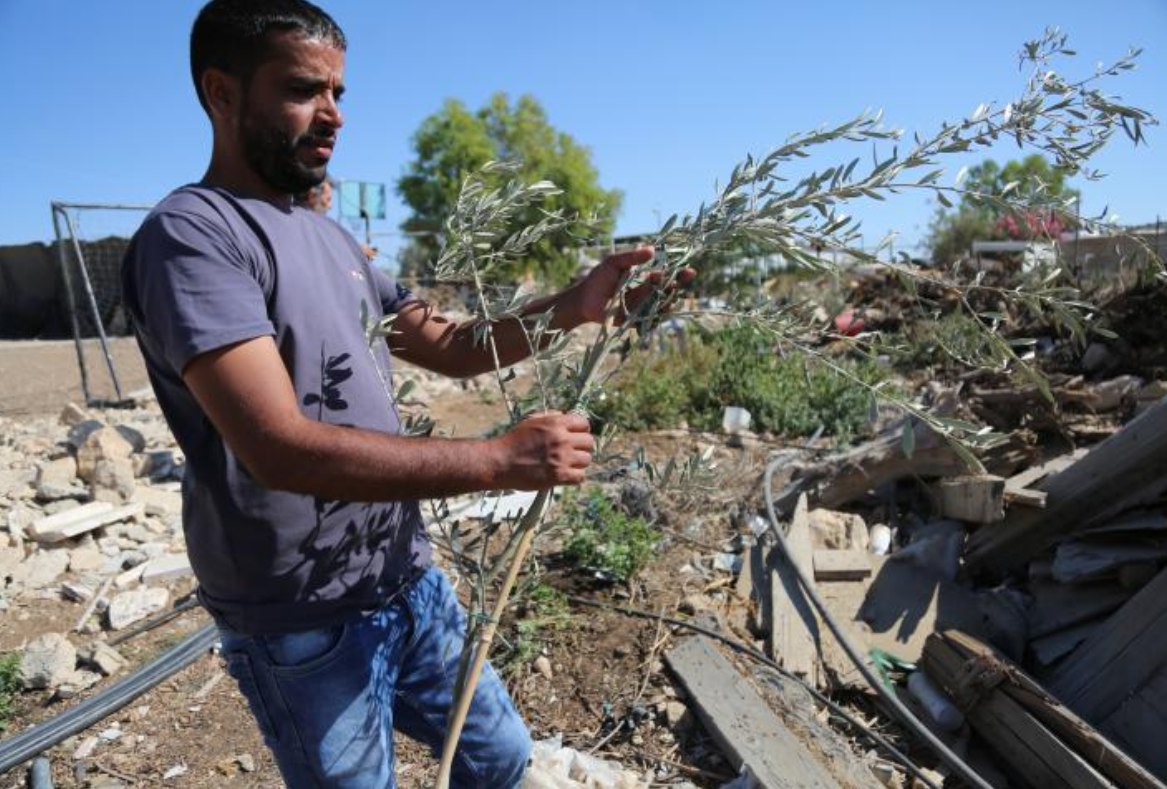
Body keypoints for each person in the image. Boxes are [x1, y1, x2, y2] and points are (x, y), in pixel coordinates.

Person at [121, 1, 687, 786]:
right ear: (221, 93)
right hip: (301, 615)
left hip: (403, 577)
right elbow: (277, 448)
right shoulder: (195, 235)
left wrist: (575, 305)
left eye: (338, 92)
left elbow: (450, 344)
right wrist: (497, 460)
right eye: (303, 90)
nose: (333, 114)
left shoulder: (331, 238)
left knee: (499, 757)